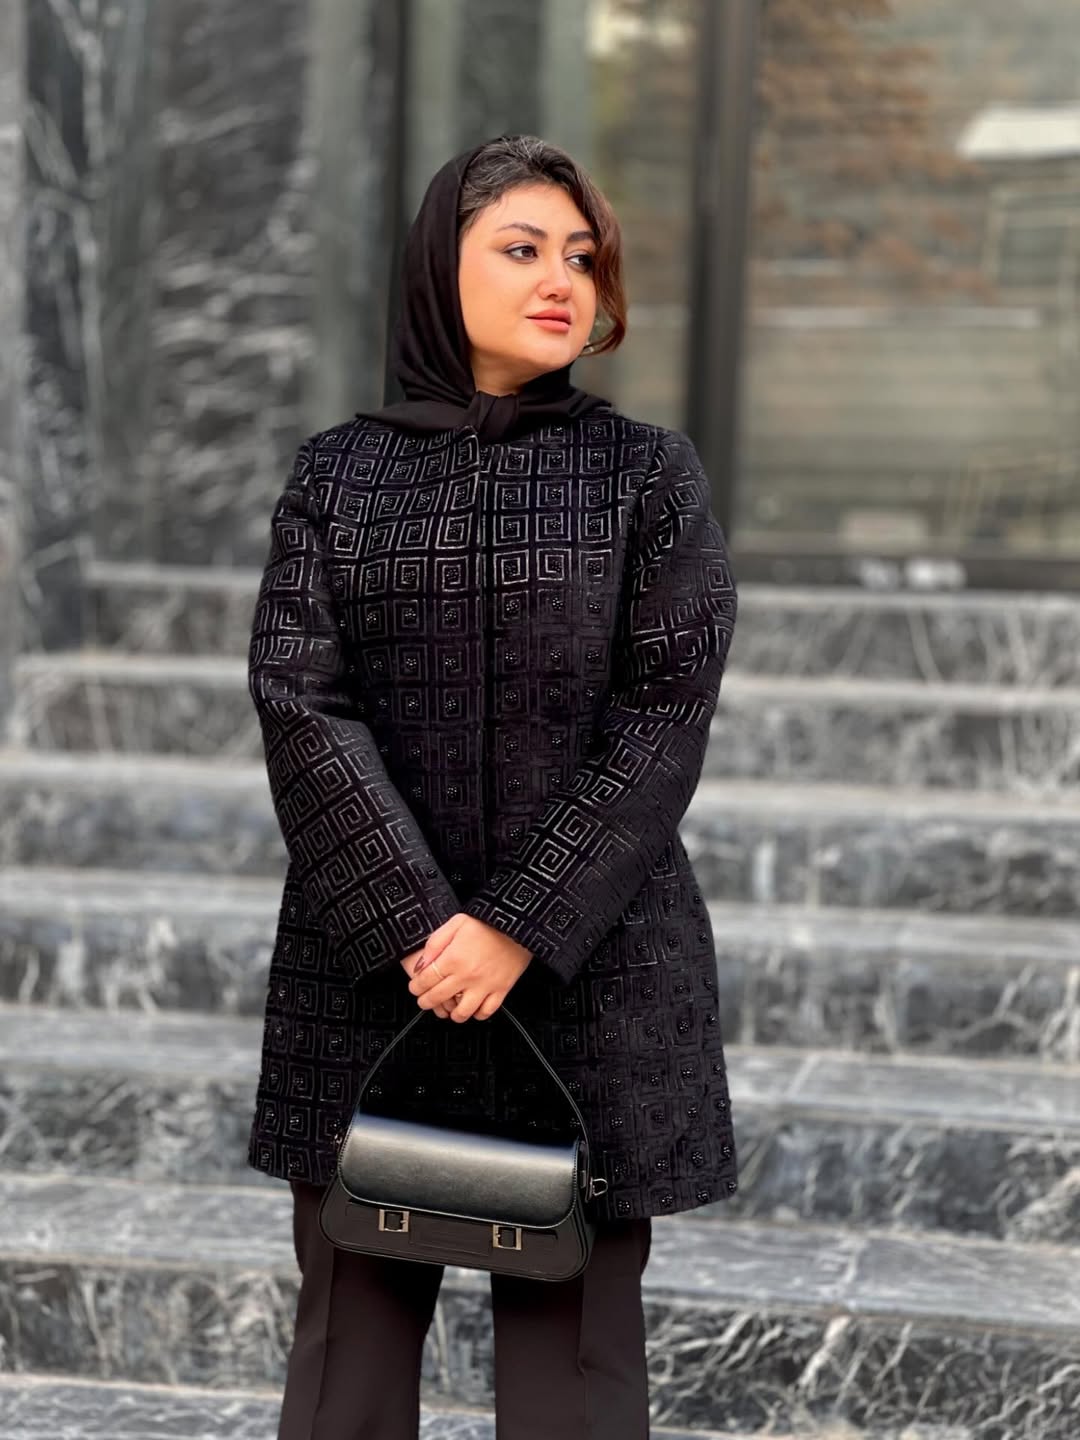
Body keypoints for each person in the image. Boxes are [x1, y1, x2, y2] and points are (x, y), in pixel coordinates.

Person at [246, 132, 739, 1440]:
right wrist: (424, 927)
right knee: (347, 1371)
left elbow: (665, 716)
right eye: (521, 249)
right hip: (375, 983)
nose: (561, 280)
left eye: (581, 255)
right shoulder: (337, 475)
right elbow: (300, 701)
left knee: (574, 1382)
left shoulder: (647, 476)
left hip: (588, 978)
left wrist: (516, 924)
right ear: (436, 269)